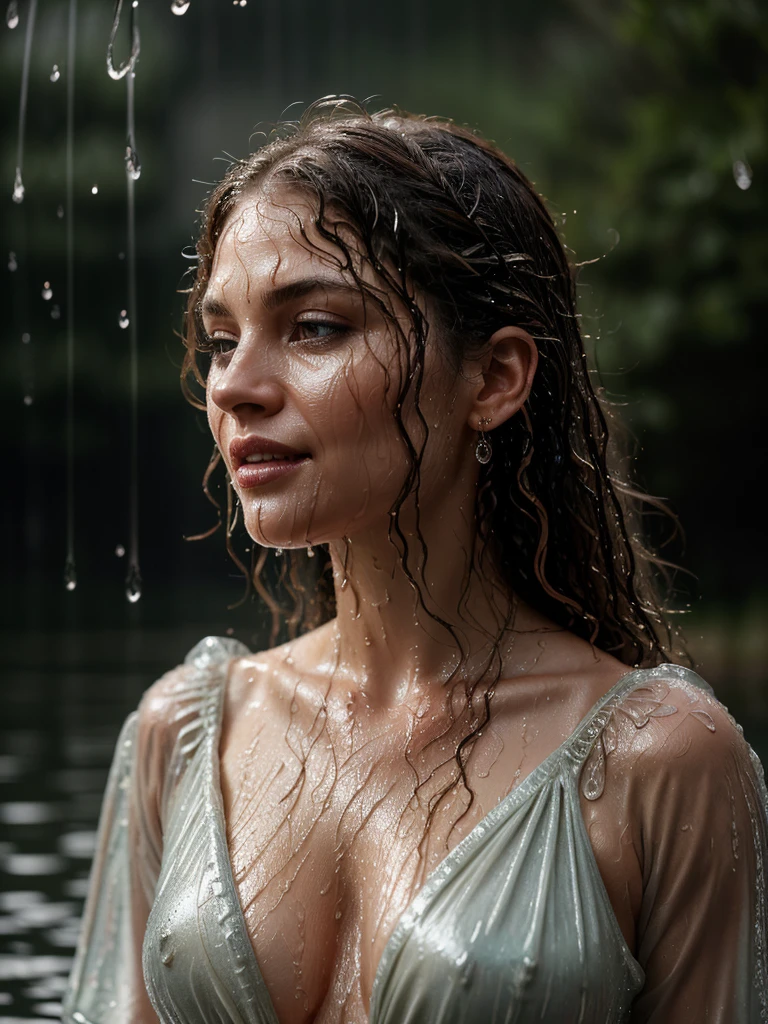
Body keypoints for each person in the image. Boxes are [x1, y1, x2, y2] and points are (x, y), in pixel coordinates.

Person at [62, 97, 768, 1024]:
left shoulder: (662, 760)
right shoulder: (186, 736)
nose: (233, 386)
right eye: (223, 340)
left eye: (314, 327)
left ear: (495, 378)